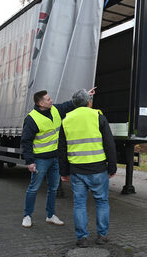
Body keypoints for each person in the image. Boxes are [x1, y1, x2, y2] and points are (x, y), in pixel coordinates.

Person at [21, 88, 95, 228]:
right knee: (34, 188)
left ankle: (50, 215)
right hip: (41, 160)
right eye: (48, 100)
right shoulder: (31, 119)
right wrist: (30, 161)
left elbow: (70, 104)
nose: (51, 101)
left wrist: (86, 96)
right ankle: (27, 216)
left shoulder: (55, 110)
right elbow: (26, 142)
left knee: (53, 188)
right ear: (41, 103)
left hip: (55, 158)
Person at [58, 89, 117, 248]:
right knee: (102, 202)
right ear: (89, 102)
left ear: (75, 104)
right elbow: (109, 144)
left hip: (77, 171)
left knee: (79, 204)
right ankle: (102, 235)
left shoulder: (66, 120)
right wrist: (112, 167)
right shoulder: (98, 116)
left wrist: (63, 172)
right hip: (98, 169)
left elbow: (62, 149)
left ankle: (82, 238)